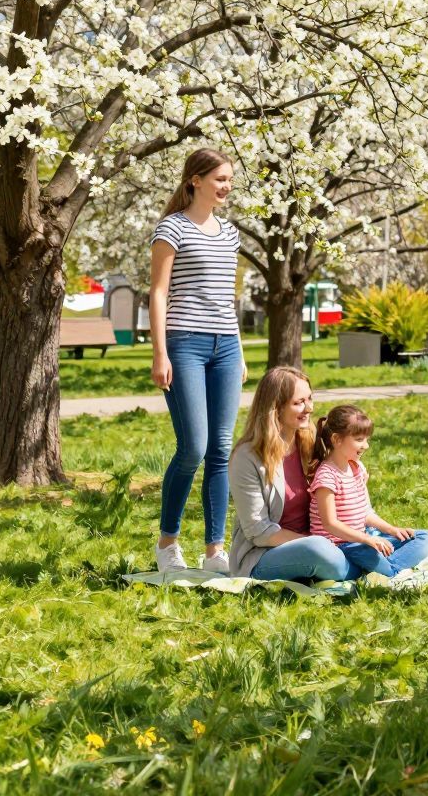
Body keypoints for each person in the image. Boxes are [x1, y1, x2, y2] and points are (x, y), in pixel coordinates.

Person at [150, 148, 246, 573]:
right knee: (193, 447)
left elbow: (228, 299)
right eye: (220, 179)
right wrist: (160, 352)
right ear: (195, 180)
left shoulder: (229, 234)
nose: (226, 186)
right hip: (184, 344)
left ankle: (214, 551)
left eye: (229, 179)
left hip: (224, 345)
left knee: (221, 450)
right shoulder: (172, 229)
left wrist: (239, 349)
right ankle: (168, 543)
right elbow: (158, 293)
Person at [229, 367, 353, 582]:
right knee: (318, 549)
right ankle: (360, 565)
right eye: (299, 403)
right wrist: (313, 541)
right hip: (265, 554)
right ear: (275, 408)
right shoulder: (246, 457)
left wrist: (353, 478)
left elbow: (330, 490)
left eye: (310, 399)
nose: (309, 408)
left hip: (322, 539)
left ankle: (353, 560)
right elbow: (259, 531)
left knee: (419, 539)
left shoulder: (309, 440)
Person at [309, 404, 428, 585]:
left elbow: (366, 513)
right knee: (368, 554)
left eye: (367, 439)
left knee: (425, 537)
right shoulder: (326, 476)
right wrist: (368, 539)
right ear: (337, 439)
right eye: (359, 439)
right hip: (342, 546)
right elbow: (330, 524)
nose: (366, 445)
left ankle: (380, 568)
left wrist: (392, 530)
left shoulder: (357, 467)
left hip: (363, 539)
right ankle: (386, 569)